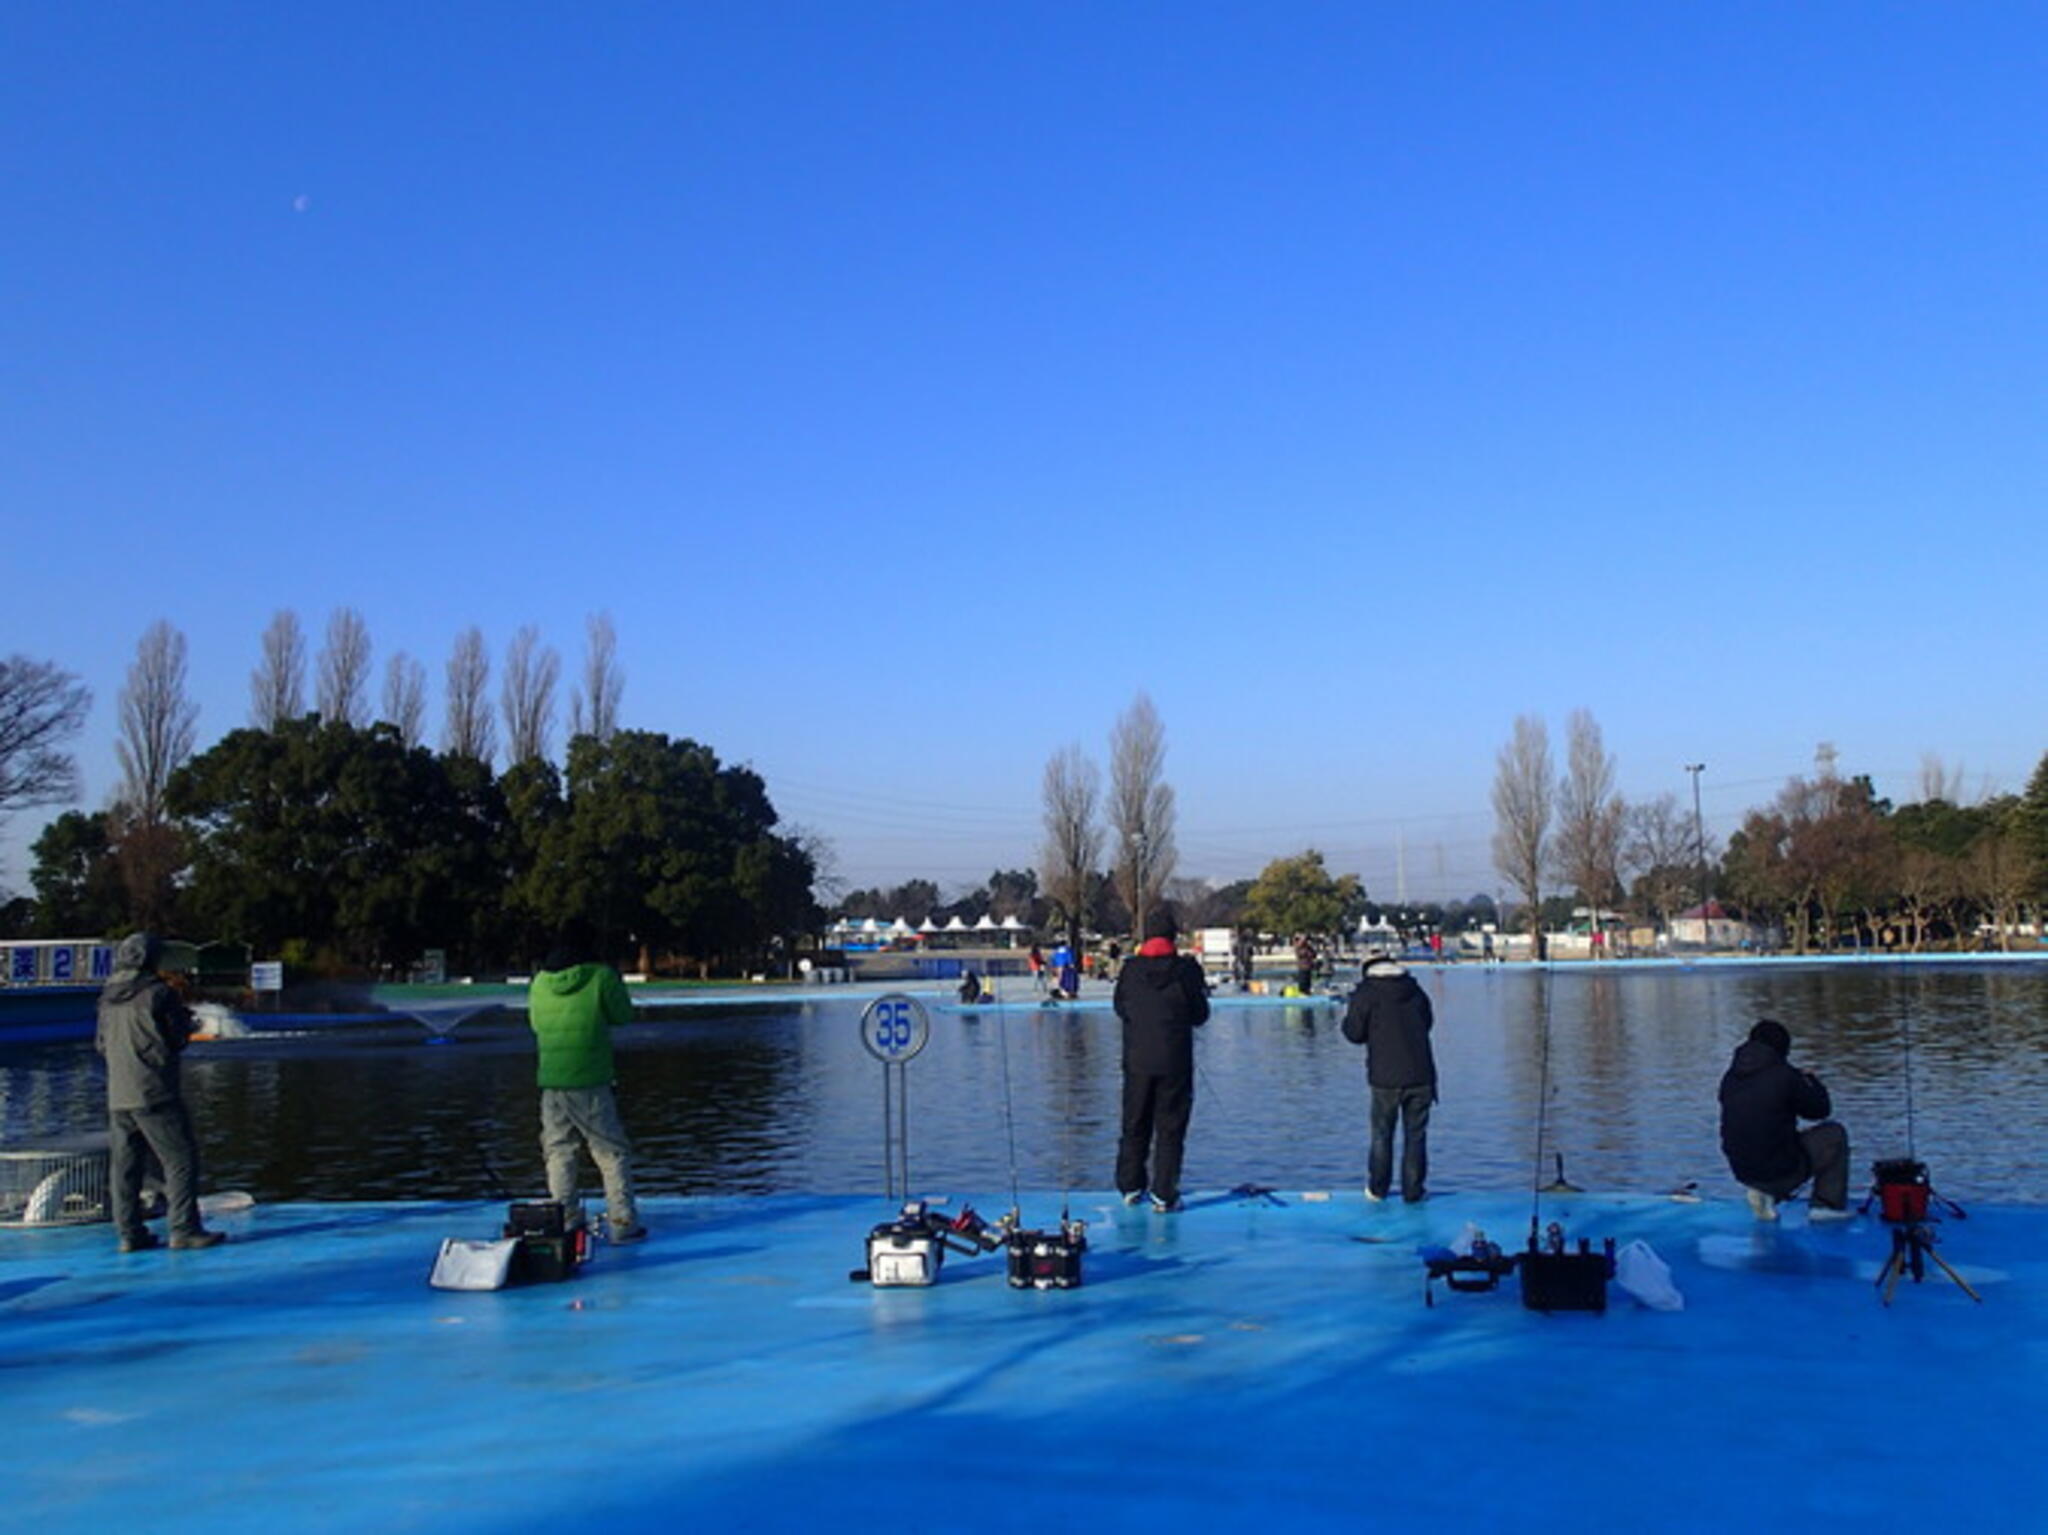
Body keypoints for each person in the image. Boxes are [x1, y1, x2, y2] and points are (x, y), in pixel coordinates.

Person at [95, 932, 225, 1252]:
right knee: (180, 1159)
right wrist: (189, 1026)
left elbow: (100, 1044)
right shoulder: (159, 993)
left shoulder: (107, 997)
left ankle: (129, 1234)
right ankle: (184, 1229)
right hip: (154, 1091)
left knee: (126, 1166)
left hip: (118, 1094)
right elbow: (176, 1039)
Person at [529, 925, 646, 1242]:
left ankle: (564, 1219)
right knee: (611, 1152)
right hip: (591, 1079)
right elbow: (623, 1016)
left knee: (559, 1151)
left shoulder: (539, 982)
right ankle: (622, 1223)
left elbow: (536, 1024)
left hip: (552, 1081)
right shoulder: (601, 976)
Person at [1113, 909, 1210, 1213]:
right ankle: (1164, 1192)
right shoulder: (1187, 970)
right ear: (1173, 936)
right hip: (1175, 1061)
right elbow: (1200, 1015)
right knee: (1170, 1127)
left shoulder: (1130, 970)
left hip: (1137, 1059)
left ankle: (1130, 1185)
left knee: (1134, 1122)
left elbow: (1120, 1008)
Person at [1719, 1018, 1850, 1220]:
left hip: (1742, 1171)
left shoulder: (1730, 1077)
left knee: (1770, 1139)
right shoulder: (1786, 1076)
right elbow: (1821, 1110)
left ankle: (1763, 1193)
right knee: (1834, 1134)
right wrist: (1811, 1080)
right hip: (1778, 1170)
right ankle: (1826, 1205)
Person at [1340, 951, 1438, 1203]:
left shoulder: (1366, 993)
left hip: (1385, 1076)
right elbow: (1427, 1022)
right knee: (1416, 1136)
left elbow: (1353, 1033)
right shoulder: (1415, 990)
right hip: (1421, 1072)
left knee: (1382, 1134)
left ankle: (1377, 1189)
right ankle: (1413, 1191)